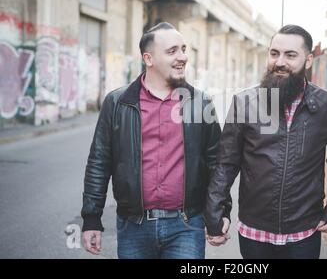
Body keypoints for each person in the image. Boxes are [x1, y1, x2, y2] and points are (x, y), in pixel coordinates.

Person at [204, 25, 327, 259]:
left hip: (304, 233)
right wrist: (215, 214)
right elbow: (226, 164)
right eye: (274, 53)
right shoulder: (244, 102)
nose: (279, 62)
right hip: (254, 233)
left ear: (308, 59)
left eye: (290, 55)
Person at [81, 22, 225, 259]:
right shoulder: (117, 102)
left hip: (186, 226)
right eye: (172, 51)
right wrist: (91, 218)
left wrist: (219, 214)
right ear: (148, 58)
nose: (182, 57)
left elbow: (216, 164)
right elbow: (99, 162)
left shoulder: (201, 103)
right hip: (133, 227)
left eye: (183, 49)